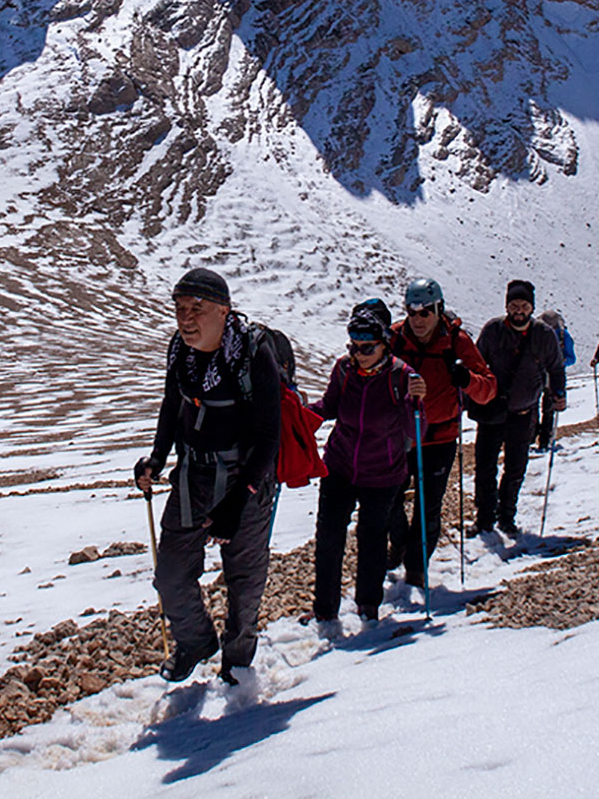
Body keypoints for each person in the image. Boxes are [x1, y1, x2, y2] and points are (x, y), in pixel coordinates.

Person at [132, 267, 282, 683]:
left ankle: (237, 662)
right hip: (192, 473)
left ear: (223, 310)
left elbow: (271, 434)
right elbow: (171, 407)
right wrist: (157, 460)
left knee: (244, 578)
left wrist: (240, 499)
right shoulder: (179, 351)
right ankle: (197, 641)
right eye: (180, 309)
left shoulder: (253, 353)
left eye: (197, 308)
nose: (186, 318)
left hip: (244, 478)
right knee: (171, 574)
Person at [308, 299, 425, 629]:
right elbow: (330, 405)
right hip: (340, 466)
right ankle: (325, 610)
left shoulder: (402, 376)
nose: (358, 354)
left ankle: (368, 607)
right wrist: (301, 416)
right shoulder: (344, 369)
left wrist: (413, 401)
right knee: (328, 538)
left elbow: (416, 431)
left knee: (372, 539)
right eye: (354, 346)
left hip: (383, 474)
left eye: (366, 347)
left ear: (384, 343)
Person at [387, 278, 495, 585]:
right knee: (389, 501)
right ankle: (399, 543)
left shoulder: (457, 342)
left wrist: (466, 379)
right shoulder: (395, 338)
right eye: (412, 311)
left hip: (440, 437)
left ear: (439, 309)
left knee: (428, 507)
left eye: (425, 312)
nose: (418, 319)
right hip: (401, 436)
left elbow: (488, 389)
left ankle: (416, 567)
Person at [472, 280, 565, 535]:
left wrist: (559, 394)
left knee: (515, 467)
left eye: (523, 305)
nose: (519, 311)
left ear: (531, 307)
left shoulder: (543, 335)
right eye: (514, 305)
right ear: (507, 306)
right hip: (492, 410)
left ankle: (506, 516)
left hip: (524, 412)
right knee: (485, 466)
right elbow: (477, 364)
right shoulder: (492, 330)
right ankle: (485, 518)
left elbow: (556, 368)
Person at [534, 309, 576, 452]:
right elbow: (571, 359)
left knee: (537, 405)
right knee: (548, 408)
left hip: (542, 373)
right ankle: (544, 438)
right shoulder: (563, 336)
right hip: (553, 375)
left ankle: (537, 436)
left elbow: (571, 358)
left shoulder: (540, 334)